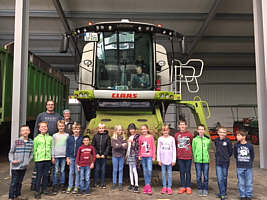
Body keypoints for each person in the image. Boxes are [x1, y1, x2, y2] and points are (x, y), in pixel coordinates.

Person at [8, 125, 34, 200]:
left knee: (20, 182)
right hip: (15, 167)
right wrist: (12, 160)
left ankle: (18, 195)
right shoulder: (17, 141)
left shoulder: (31, 142)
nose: (25, 132)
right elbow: (11, 152)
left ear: (29, 131)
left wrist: (28, 161)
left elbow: (32, 153)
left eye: (27, 130)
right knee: (14, 182)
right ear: (20, 132)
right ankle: (11, 196)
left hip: (24, 166)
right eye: (23, 130)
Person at [33, 121, 53, 199]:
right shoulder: (37, 138)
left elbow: (51, 148)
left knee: (46, 175)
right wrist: (36, 158)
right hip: (39, 160)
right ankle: (37, 191)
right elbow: (35, 149)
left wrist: (51, 157)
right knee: (39, 175)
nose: (44, 128)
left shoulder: (50, 138)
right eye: (42, 127)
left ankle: (44, 189)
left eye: (45, 127)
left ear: (47, 128)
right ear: (39, 128)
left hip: (47, 159)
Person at [234, 128, 254, 200]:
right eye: (237, 135)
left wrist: (249, 162)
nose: (237, 137)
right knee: (241, 182)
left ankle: (249, 195)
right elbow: (235, 155)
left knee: (249, 182)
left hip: (248, 167)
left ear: (244, 136)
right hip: (240, 166)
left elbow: (252, 156)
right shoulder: (236, 146)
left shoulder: (250, 146)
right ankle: (242, 195)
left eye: (238, 135)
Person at [175, 120, 193, 195]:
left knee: (188, 171)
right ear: (178, 126)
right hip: (180, 156)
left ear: (186, 126)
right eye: (180, 125)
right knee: (182, 172)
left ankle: (188, 186)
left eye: (183, 125)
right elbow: (176, 144)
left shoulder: (190, 135)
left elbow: (192, 143)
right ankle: (183, 186)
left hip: (188, 156)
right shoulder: (176, 135)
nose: (182, 126)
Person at [157, 124, 176, 195]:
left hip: (170, 159)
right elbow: (158, 150)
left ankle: (169, 187)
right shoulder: (160, 139)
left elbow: (174, 149)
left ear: (169, 131)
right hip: (162, 159)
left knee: (170, 174)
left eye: (167, 130)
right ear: (162, 131)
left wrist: (174, 160)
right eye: (164, 130)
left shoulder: (172, 139)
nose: (165, 132)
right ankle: (164, 186)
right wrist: (159, 159)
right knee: (163, 173)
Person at [214, 127, 233, 200]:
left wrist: (226, 157)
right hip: (218, 162)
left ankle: (223, 192)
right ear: (218, 133)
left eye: (224, 132)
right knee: (219, 178)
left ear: (226, 133)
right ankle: (222, 193)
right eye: (220, 132)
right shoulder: (216, 140)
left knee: (224, 177)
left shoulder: (228, 141)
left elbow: (230, 151)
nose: (222, 134)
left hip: (225, 162)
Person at [192, 124, 211, 197]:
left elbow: (208, 149)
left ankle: (205, 189)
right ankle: (200, 189)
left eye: (202, 129)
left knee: (206, 176)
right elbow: (194, 149)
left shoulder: (207, 140)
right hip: (198, 161)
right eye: (199, 129)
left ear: (204, 131)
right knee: (199, 176)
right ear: (197, 130)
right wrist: (196, 157)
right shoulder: (195, 139)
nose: (201, 131)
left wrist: (206, 156)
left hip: (206, 161)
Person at [51, 120, 69, 194]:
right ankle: (55, 185)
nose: (61, 127)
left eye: (62, 126)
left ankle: (62, 185)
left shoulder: (67, 135)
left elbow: (68, 146)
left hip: (64, 156)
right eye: (59, 126)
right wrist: (52, 156)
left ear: (64, 127)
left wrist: (67, 156)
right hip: (56, 155)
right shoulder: (55, 135)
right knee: (55, 171)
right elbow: (53, 146)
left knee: (62, 171)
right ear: (57, 127)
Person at [92, 123, 111, 189]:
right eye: (100, 128)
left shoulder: (107, 136)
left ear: (104, 129)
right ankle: (96, 182)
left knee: (103, 169)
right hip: (97, 156)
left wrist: (104, 154)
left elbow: (108, 146)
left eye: (102, 128)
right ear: (98, 129)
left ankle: (103, 182)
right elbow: (93, 145)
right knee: (97, 169)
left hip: (103, 156)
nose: (101, 129)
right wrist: (96, 153)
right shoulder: (95, 136)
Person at [66, 122, 83, 194]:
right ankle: (70, 186)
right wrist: (67, 157)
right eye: (74, 129)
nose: (76, 130)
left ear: (80, 130)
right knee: (71, 172)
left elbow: (83, 149)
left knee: (77, 172)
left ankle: (76, 186)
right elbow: (67, 148)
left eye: (78, 129)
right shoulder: (70, 138)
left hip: (78, 158)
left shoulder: (82, 138)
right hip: (71, 157)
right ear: (72, 130)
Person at [138, 124, 156, 195]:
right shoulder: (140, 137)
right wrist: (139, 155)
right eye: (142, 129)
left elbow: (153, 147)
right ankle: (147, 186)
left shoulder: (151, 137)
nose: (143, 130)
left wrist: (154, 156)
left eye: (144, 129)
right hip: (143, 156)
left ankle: (148, 185)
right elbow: (139, 147)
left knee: (149, 170)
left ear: (147, 129)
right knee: (145, 171)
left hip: (149, 156)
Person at [111, 125, 128, 191]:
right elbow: (115, 146)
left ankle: (120, 183)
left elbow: (126, 146)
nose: (119, 131)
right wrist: (122, 145)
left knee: (121, 169)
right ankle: (114, 183)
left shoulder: (124, 138)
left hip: (122, 156)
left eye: (120, 130)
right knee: (115, 170)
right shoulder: (113, 138)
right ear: (116, 131)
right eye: (118, 130)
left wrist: (119, 145)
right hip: (115, 156)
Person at [126, 123, 140, 193]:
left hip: (134, 154)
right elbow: (128, 147)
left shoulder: (137, 136)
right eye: (130, 129)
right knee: (130, 169)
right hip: (129, 154)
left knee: (134, 169)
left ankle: (136, 185)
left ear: (135, 129)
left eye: (133, 129)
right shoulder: (129, 136)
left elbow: (138, 146)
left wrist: (133, 143)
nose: (131, 130)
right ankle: (132, 183)